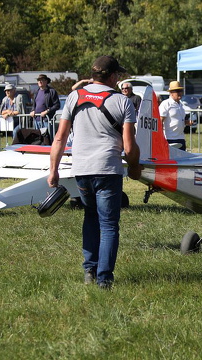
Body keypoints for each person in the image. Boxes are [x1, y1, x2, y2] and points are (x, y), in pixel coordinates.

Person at [47, 55, 141, 290]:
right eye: (117, 75)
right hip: (107, 168)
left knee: (90, 217)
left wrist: (53, 170)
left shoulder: (74, 97)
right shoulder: (122, 101)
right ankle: (104, 279)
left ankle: (90, 269)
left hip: (81, 168)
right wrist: (136, 168)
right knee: (109, 224)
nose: (119, 79)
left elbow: (60, 137)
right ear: (111, 76)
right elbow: (129, 147)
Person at [159, 81, 188, 150]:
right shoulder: (166, 104)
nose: (180, 93)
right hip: (169, 138)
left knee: (182, 159)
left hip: (181, 138)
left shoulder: (181, 104)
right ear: (171, 93)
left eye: (181, 90)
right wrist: (160, 137)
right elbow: (160, 120)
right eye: (177, 91)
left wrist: (187, 122)